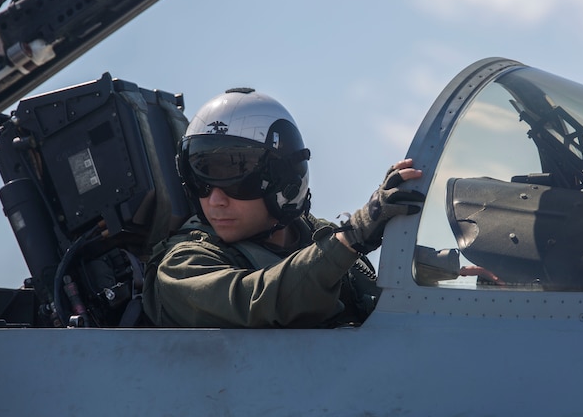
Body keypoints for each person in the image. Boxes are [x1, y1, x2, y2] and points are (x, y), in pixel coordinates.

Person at [142, 87, 424, 328]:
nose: (215, 200)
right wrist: (353, 236)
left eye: (236, 182)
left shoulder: (318, 236)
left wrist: (451, 274)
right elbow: (257, 300)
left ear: (283, 181)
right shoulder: (183, 266)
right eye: (201, 181)